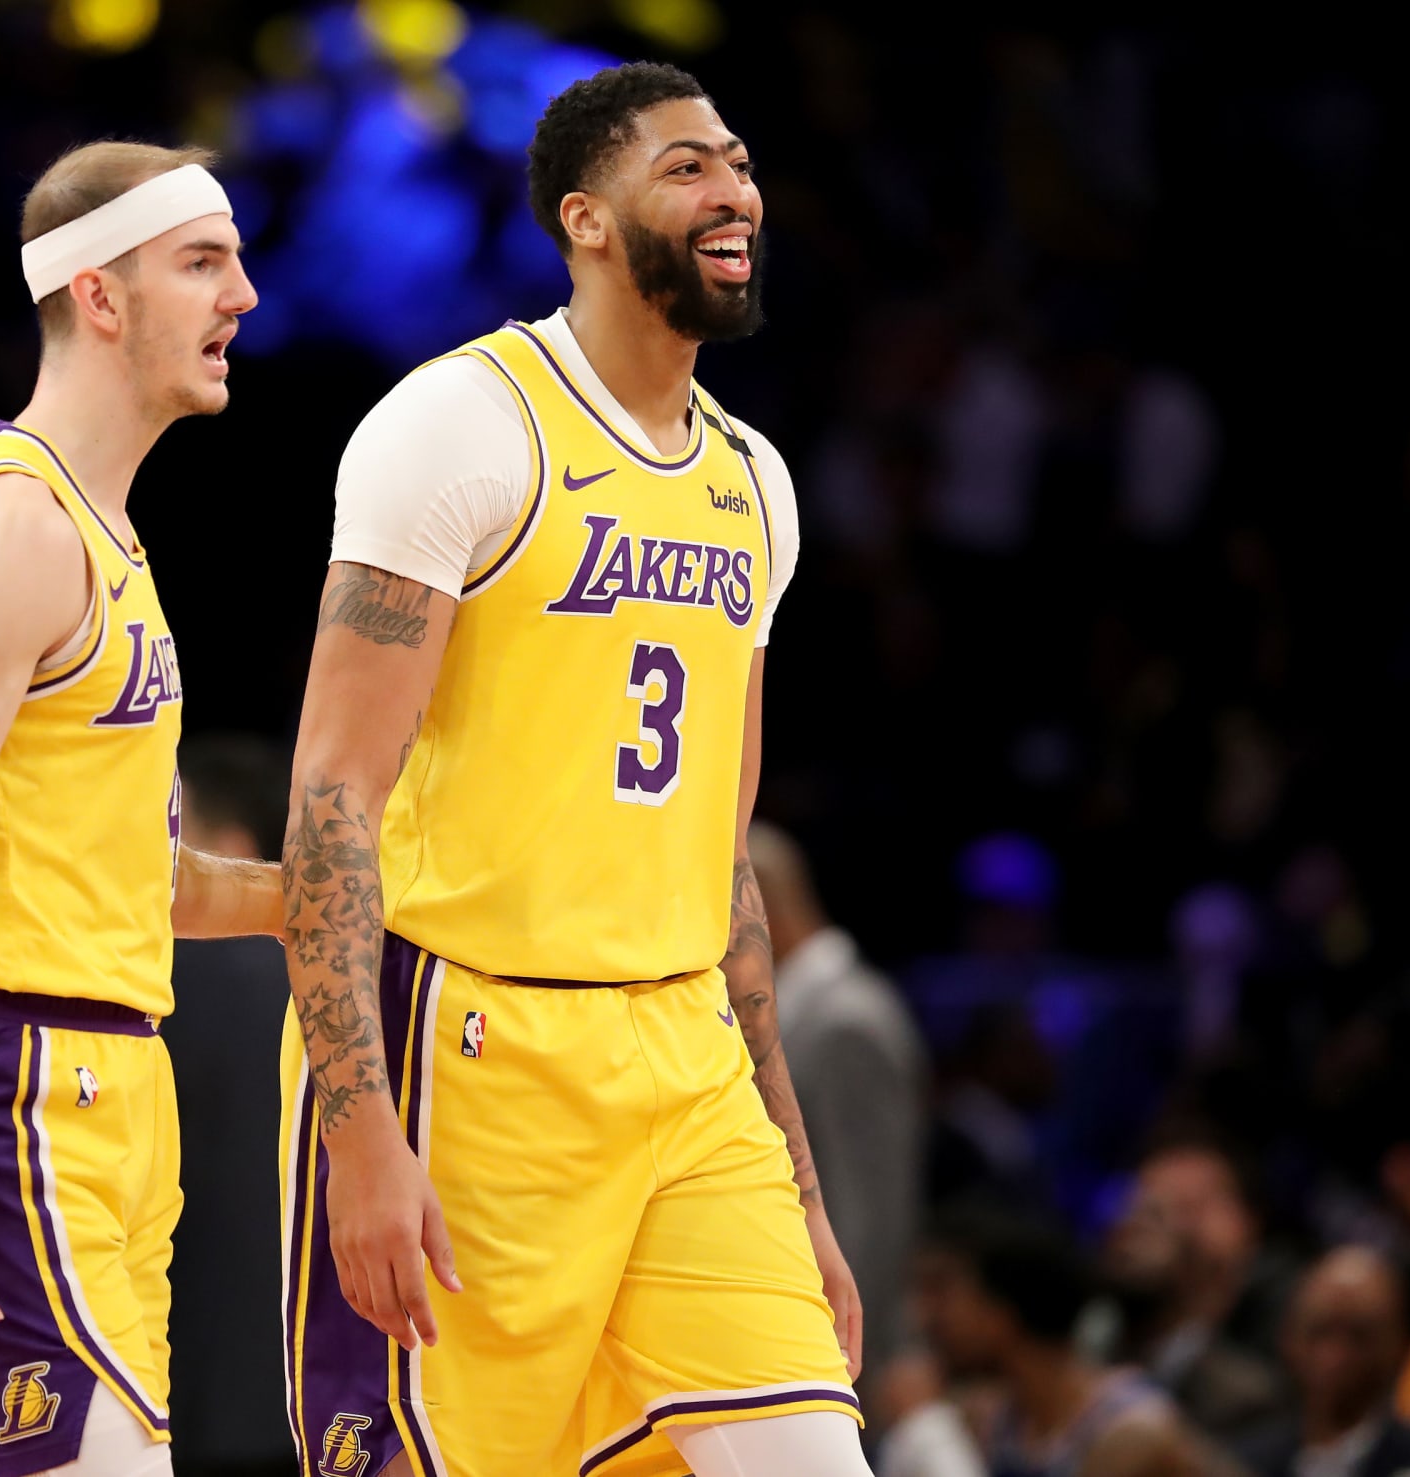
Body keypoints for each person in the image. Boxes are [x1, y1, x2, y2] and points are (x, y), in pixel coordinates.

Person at [279, 61, 868, 1477]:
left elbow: (723, 865)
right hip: (477, 1057)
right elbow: (331, 798)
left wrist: (798, 1186)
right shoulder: (462, 424)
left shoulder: (754, 482)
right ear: (584, 219)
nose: (733, 192)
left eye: (739, 163)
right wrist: (358, 1137)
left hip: (686, 1067)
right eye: (685, 167)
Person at [0, 139, 276, 1477]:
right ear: (98, 295)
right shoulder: (12, 527)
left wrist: (350, 892)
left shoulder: (106, 538)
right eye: (202, 262)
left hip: (111, 1089)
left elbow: (149, 882)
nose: (242, 294)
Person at [164, 736, 299, 1477]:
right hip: (319, 1386)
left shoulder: (150, 989)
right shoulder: (344, 995)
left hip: (178, 1386)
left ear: (233, 853)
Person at [751, 820, 928, 1383]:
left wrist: (832, 1356)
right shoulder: (805, 1011)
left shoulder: (846, 1022)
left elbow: (869, 1213)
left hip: (832, 1355)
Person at [913, 1210, 1217, 1477]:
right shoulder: (990, 1421)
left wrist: (926, 1427)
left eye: (940, 1292)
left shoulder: (1132, 1435)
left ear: (1003, 1311)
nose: (923, 1316)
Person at [1097, 1140, 1288, 1444]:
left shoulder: (1246, 1393)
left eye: (1184, 1209)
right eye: (1132, 1208)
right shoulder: (1081, 1354)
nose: (1130, 1229)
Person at [1234, 1247, 1410, 1477]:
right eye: (1319, 1331)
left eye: (1359, 1336)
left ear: (1398, 1345)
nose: (1334, 1356)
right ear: (1287, 1337)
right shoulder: (1243, 1461)